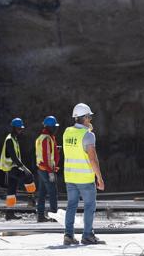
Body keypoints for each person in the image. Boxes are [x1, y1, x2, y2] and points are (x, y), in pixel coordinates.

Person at [62, 103, 105, 246]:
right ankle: (87, 235)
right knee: (89, 206)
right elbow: (92, 159)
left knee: (71, 205)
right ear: (85, 118)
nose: (91, 120)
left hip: (70, 177)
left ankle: (68, 235)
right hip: (85, 178)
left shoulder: (67, 132)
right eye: (90, 117)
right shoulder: (88, 135)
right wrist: (99, 177)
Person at [0, 117, 36, 218]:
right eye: (19, 129)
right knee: (29, 176)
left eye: (21, 129)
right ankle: (31, 198)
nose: (21, 130)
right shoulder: (10, 140)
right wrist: (24, 168)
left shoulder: (13, 139)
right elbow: (14, 158)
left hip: (11, 168)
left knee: (11, 191)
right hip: (12, 168)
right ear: (14, 128)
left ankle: (9, 213)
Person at [35, 115, 61, 222]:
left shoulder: (42, 137)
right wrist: (51, 171)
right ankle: (54, 215)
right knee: (53, 192)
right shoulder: (46, 138)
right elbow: (46, 156)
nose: (55, 129)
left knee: (42, 193)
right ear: (50, 127)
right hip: (47, 170)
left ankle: (40, 216)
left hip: (42, 169)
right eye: (54, 127)